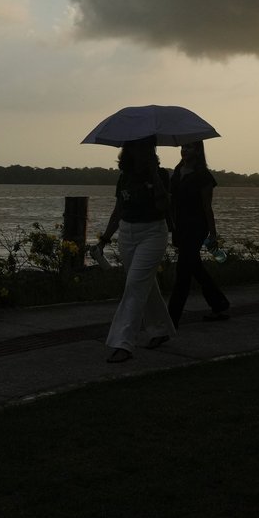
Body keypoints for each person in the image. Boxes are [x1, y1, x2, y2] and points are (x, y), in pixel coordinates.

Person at [96, 136, 175, 362]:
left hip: (153, 233)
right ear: (129, 151)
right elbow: (119, 210)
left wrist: (154, 176)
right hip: (127, 234)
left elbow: (164, 206)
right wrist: (105, 239)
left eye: (148, 147)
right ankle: (160, 329)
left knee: (134, 285)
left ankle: (123, 342)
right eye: (138, 147)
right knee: (144, 285)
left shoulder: (161, 175)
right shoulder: (125, 178)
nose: (143, 152)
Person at [167, 140, 230, 325]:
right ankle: (219, 303)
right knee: (195, 267)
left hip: (196, 227)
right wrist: (170, 224)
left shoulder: (203, 176)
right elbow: (171, 201)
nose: (184, 150)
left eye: (189, 147)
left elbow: (207, 207)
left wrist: (213, 234)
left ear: (198, 150)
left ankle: (172, 318)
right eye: (183, 147)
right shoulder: (177, 172)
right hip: (180, 227)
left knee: (183, 272)